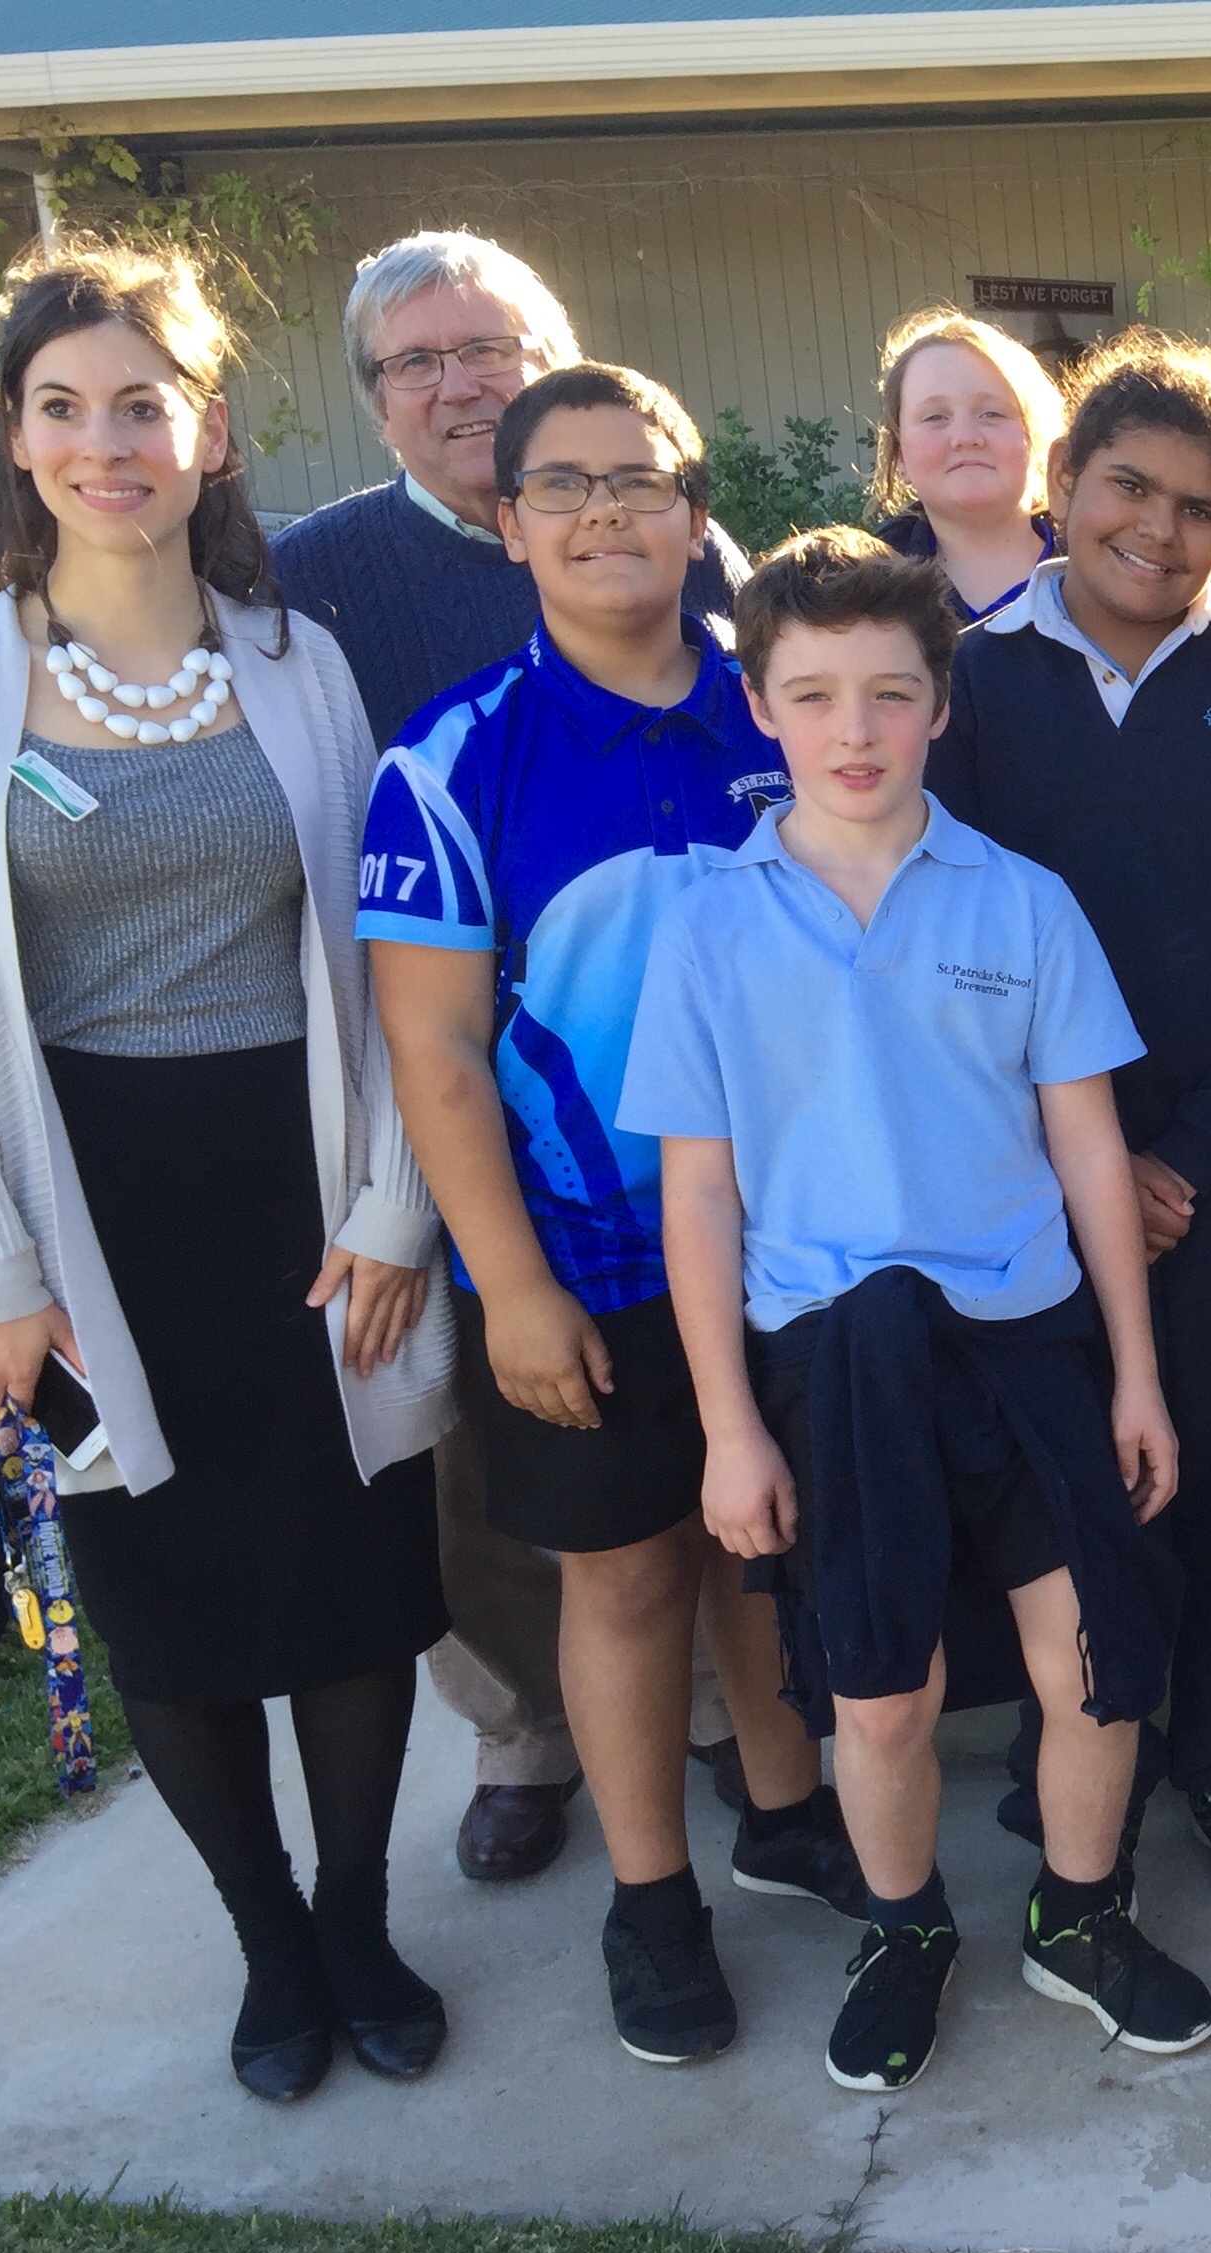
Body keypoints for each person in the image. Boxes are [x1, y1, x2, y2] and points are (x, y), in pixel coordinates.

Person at [631, 529, 1207, 2092]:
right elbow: (699, 1196)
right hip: (833, 1354)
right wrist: (730, 1427)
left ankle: (1080, 1915)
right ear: (759, 707)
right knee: (879, 1691)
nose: (857, 731)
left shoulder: (1020, 906)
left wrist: (1136, 1375)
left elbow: (1092, 1152)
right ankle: (903, 1929)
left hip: (1024, 1338)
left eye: (890, 694)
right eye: (814, 696)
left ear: (942, 706)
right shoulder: (708, 931)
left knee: (1097, 1649)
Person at [363, 361, 863, 2069]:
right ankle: (653, 1897)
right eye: (560, 485)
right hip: (583, 1260)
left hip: (797, 1243)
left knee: (767, 1536)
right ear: (506, 524)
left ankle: (788, 1810)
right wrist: (505, 1284)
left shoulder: (783, 710)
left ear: (696, 506)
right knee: (632, 1570)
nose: (602, 513)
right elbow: (431, 1048)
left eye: (637, 481)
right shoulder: (448, 762)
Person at [0, 242, 456, 2101]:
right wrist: (7, 1272)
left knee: (349, 1574)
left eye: (142, 402)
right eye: (62, 405)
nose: (107, 442)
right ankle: (268, 1944)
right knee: (163, 1592)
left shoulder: (298, 663)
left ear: (211, 432)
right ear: (16, 437)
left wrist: (394, 1206)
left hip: (310, 1184)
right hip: (85, 1213)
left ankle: (357, 1915)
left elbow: (389, 965)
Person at [272, 229, 749, 1887]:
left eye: (495, 348)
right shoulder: (319, 589)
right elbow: (430, 1031)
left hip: (770, 1215)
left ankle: (755, 1775)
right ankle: (552, 1771)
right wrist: (480, 1248)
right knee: (537, 1513)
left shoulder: (748, 659)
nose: (462, 380)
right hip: (531, 1181)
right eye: (423, 360)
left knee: (744, 1534)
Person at [933, 331, 1211, 1917]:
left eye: (1200, 506)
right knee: (1065, 1483)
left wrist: (1189, 1154)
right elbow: (938, 929)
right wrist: (1080, 1166)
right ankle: (1074, 1746)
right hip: (1028, 1182)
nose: (1159, 529)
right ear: (1061, 489)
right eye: (1128, 485)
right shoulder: (970, 683)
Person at [870, 306, 1067, 623]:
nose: (965, 437)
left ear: (1037, 434)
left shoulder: (1102, 573)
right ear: (899, 454)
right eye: (935, 417)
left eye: (991, 413)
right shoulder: (860, 592)